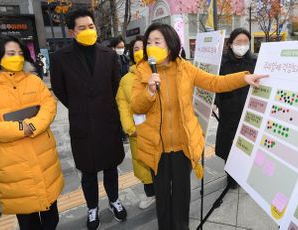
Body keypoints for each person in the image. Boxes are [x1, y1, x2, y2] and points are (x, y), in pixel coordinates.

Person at [130, 23, 267, 230]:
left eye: (157, 42)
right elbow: (136, 106)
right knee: (163, 197)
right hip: (156, 146)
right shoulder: (142, 70)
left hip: (183, 145)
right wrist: (149, 91)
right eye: (149, 42)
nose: (151, 46)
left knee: (181, 195)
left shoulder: (185, 68)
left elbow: (214, 82)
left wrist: (244, 78)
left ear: (171, 44)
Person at [50, 9, 126, 230]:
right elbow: (60, 90)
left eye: (91, 26)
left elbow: (114, 86)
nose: (88, 31)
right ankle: (92, 207)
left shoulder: (109, 55)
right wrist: (81, 107)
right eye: (82, 28)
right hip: (82, 123)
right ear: (71, 31)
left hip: (107, 122)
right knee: (88, 173)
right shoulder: (59, 58)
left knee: (111, 168)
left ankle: (114, 200)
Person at [0, 34, 64, 230]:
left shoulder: (33, 80)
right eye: (11, 53)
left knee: (51, 216)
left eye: (20, 53)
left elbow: (48, 104)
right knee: (28, 222)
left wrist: (35, 125)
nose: (17, 57)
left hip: (43, 159)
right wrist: (21, 128)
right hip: (13, 166)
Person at [116, 35, 155, 210]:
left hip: (158, 131)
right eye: (135, 49)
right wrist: (130, 128)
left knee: (161, 166)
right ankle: (151, 194)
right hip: (138, 133)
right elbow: (122, 105)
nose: (139, 52)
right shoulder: (125, 79)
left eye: (142, 48)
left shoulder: (157, 73)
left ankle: (164, 193)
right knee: (144, 167)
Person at [215, 28, 257, 189]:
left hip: (249, 111)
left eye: (245, 42)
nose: (242, 45)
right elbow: (215, 84)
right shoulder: (222, 62)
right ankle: (232, 177)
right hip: (229, 110)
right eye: (238, 42)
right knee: (230, 145)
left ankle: (245, 174)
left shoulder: (253, 61)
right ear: (231, 43)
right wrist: (215, 102)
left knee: (246, 145)